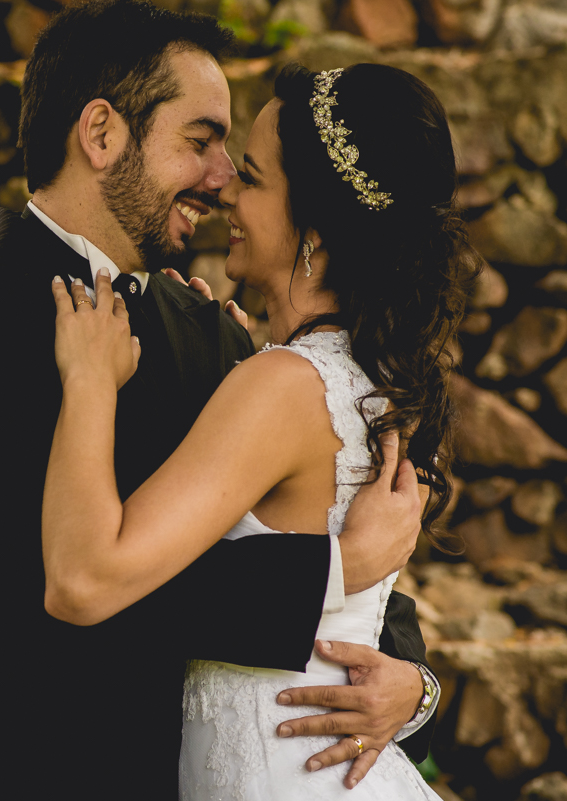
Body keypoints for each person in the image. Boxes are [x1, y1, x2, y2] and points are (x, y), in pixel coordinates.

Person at [0, 3, 439, 798]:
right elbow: (29, 587)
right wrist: (332, 568)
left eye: (233, 155)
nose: (221, 177)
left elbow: (312, 525)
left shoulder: (210, 333)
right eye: (200, 140)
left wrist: (413, 682)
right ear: (102, 134)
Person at [43, 61, 477, 799]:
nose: (226, 194)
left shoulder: (283, 386)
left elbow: (84, 581)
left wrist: (88, 382)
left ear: (316, 227)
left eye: (251, 177)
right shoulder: (367, 377)